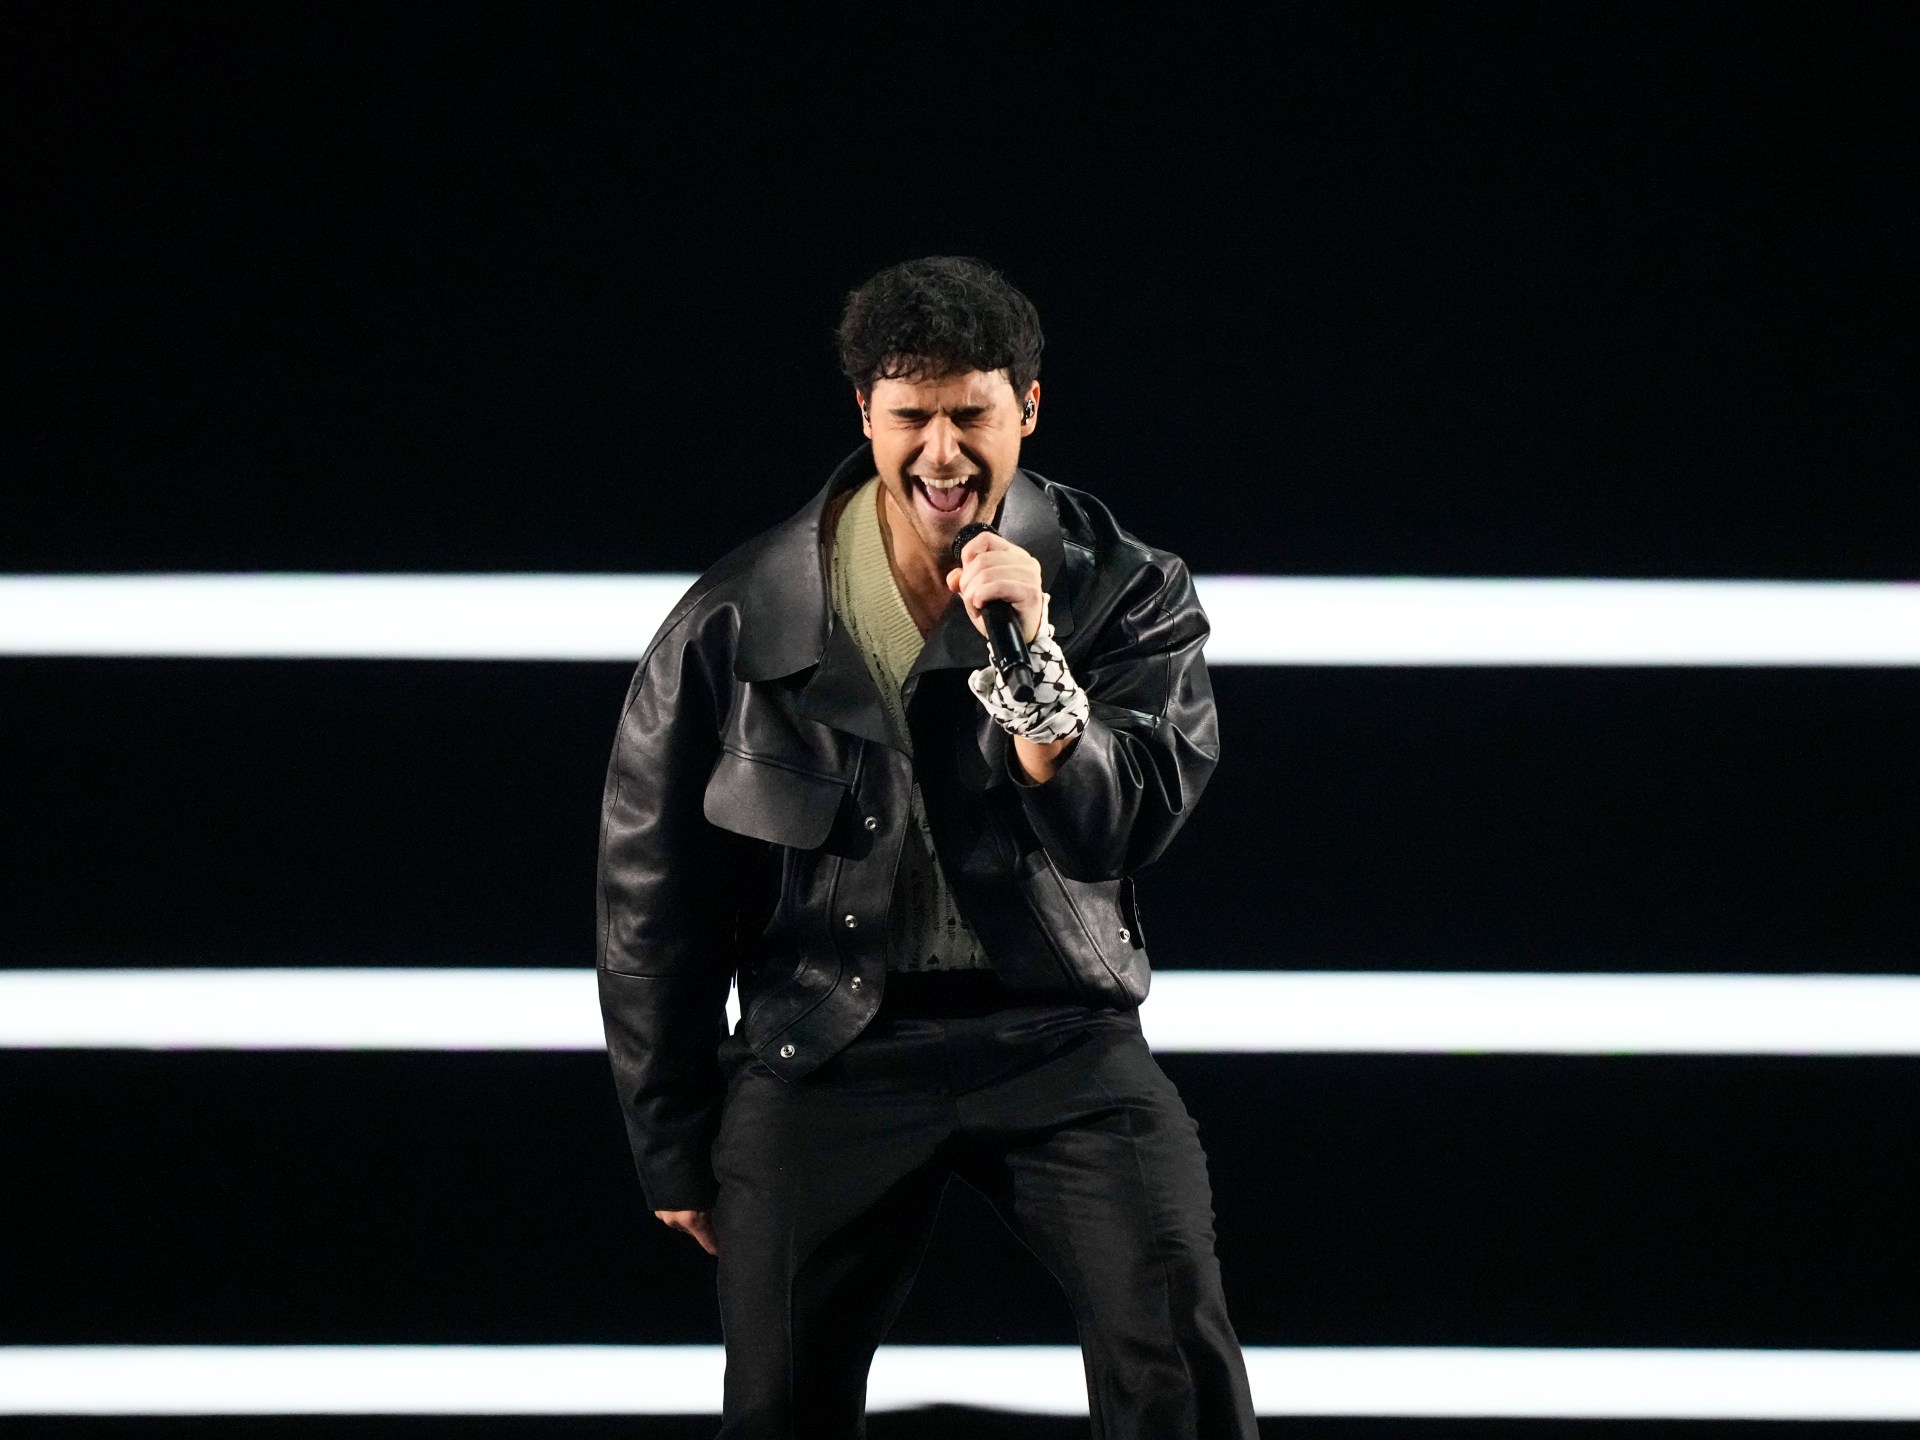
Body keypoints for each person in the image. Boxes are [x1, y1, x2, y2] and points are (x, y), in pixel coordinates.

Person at [597, 256, 1256, 1438]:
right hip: (824, 1040)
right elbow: (653, 895)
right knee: (777, 1403)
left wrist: (1033, 660)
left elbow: (1122, 825)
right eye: (912, 417)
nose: (942, 454)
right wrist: (672, 1138)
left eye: (970, 415)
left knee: (1178, 1360)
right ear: (865, 413)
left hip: (1058, 1032)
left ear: (1027, 409)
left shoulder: (1123, 589)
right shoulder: (737, 617)